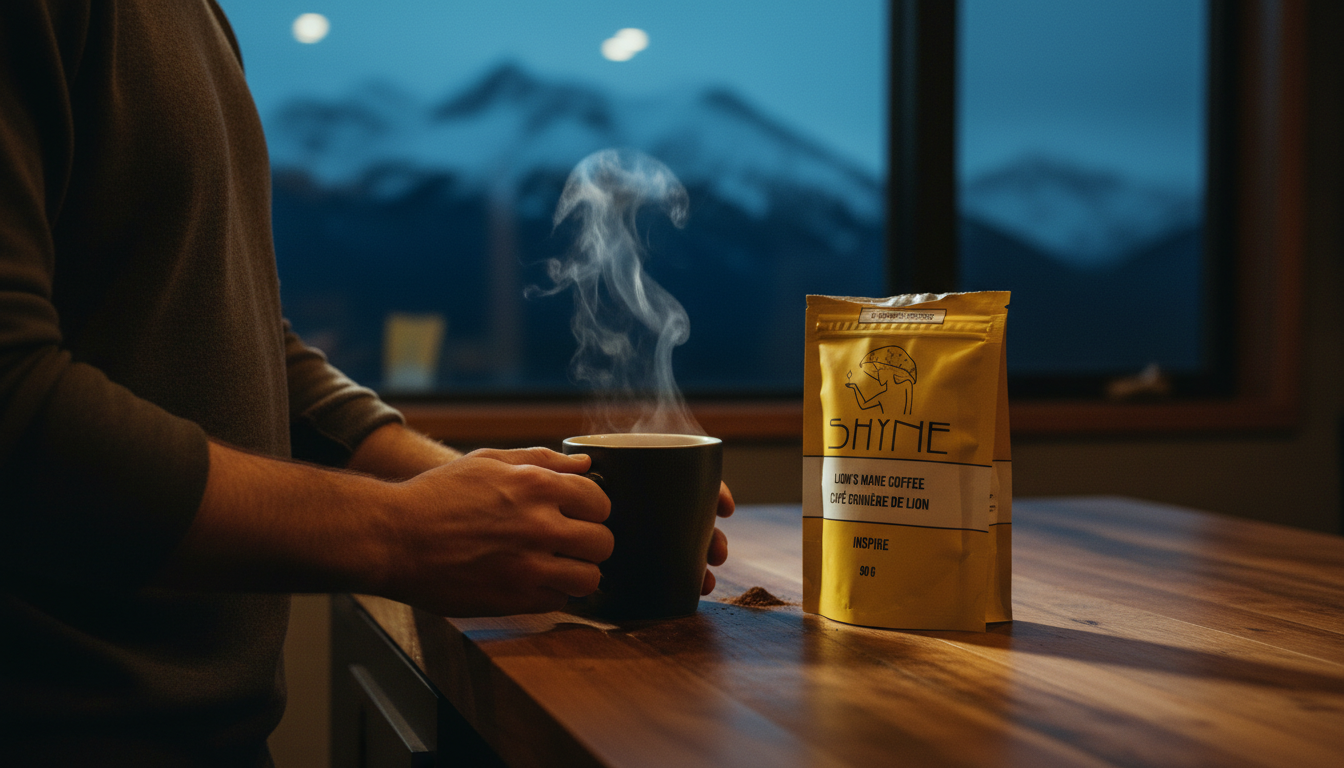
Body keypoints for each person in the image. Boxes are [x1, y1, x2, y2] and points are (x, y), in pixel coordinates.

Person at [0, 1, 733, 765]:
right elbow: (13, 402)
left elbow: (235, 334)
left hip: (203, 731)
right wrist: (399, 532)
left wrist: (502, 505)